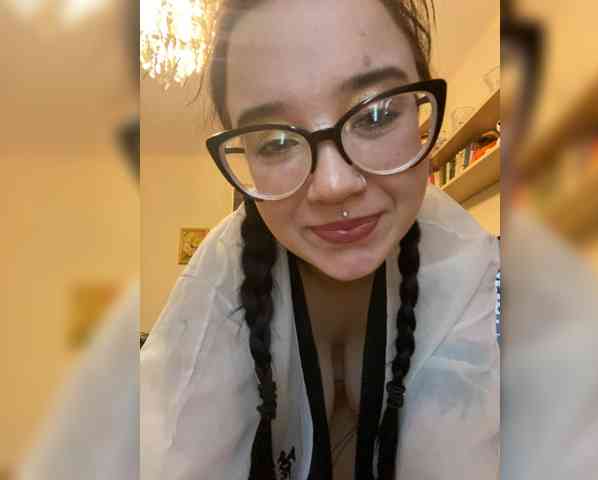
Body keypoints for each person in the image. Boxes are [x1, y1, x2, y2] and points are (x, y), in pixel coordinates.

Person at [141, 1, 499, 479]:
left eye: (376, 115)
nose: (333, 185)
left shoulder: (470, 265)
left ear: (419, 106)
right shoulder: (219, 284)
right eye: (276, 142)